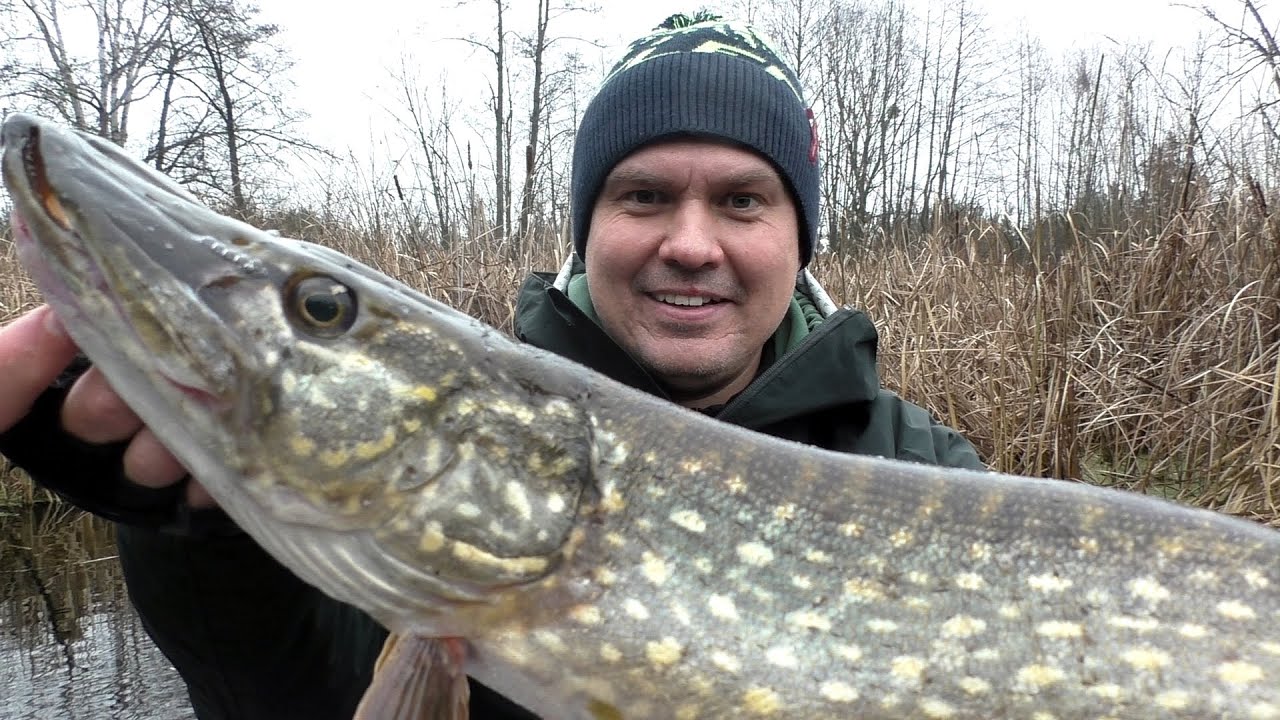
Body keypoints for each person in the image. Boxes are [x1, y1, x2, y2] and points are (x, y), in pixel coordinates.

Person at [0, 18, 983, 720]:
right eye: (641, 195)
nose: (690, 243)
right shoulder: (438, 505)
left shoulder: (928, 475)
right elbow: (288, 692)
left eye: (740, 201)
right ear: (587, 229)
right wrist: (203, 532)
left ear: (797, 238)